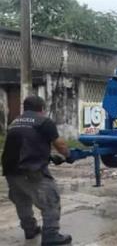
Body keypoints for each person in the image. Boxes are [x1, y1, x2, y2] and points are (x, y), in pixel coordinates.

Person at [1, 96, 73, 245]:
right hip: (31, 169)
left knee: (22, 201)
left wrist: (49, 156)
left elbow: (25, 142)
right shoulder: (44, 121)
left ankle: (30, 229)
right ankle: (51, 235)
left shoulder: (14, 122)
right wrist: (68, 155)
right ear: (41, 108)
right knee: (50, 199)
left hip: (10, 169)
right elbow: (60, 145)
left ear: (25, 108)